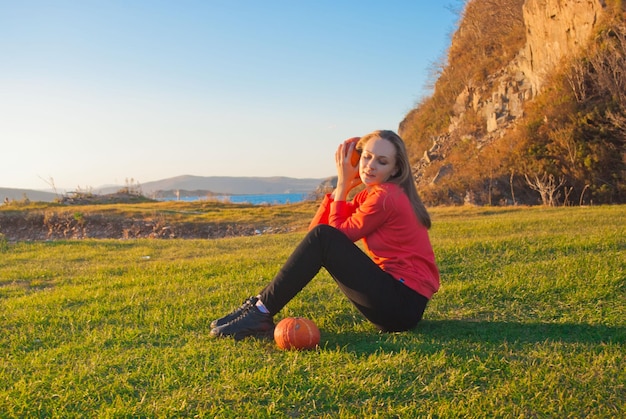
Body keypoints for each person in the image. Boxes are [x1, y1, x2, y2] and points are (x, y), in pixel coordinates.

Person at [210, 130, 440, 340]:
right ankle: (258, 308)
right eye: (367, 157)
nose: (370, 165)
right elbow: (315, 239)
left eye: (382, 161)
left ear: (395, 169)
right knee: (323, 237)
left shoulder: (386, 197)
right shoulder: (374, 195)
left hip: (401, 304)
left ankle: (259, 312)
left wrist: (342, 183)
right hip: (399, 302)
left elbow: (331, 236)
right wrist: (345, 187)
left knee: (325, 238)